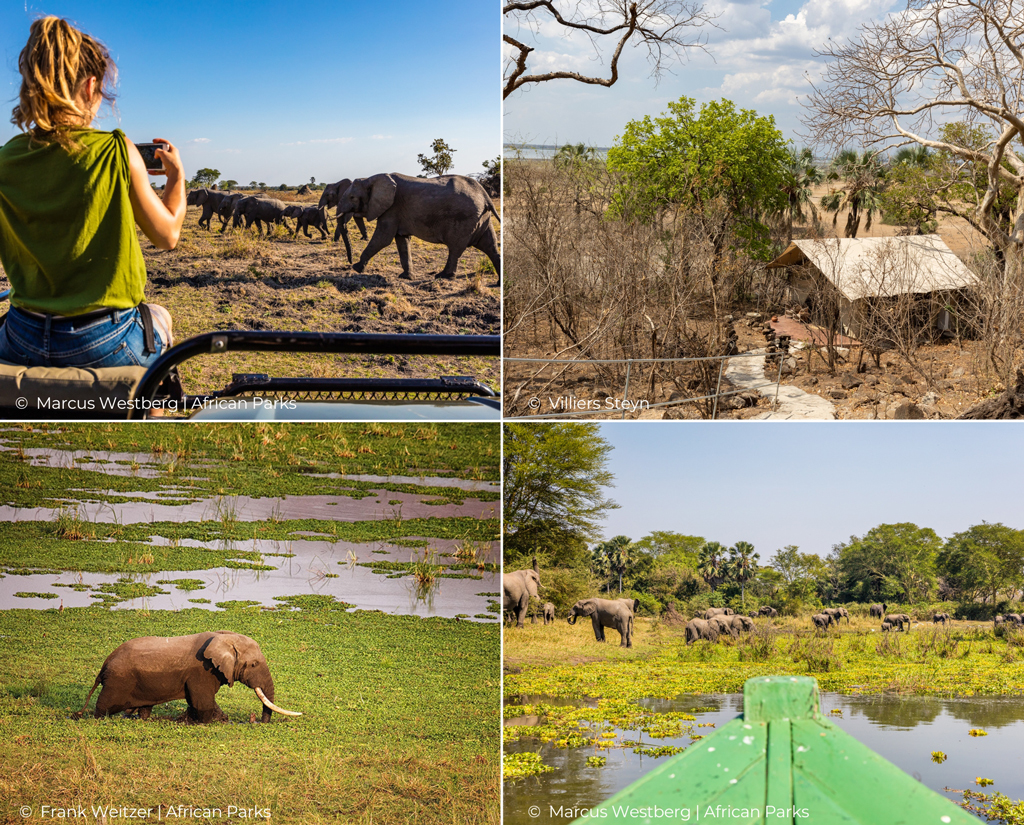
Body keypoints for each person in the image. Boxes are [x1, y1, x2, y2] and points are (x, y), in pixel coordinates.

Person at [0, 16, 185, 369]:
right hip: (105, 339)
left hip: (21, 333)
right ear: (90, 87)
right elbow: (168, 235)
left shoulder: (5, 159)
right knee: (160, 317)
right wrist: (176, 179)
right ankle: (150, 417)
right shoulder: (116, 149)